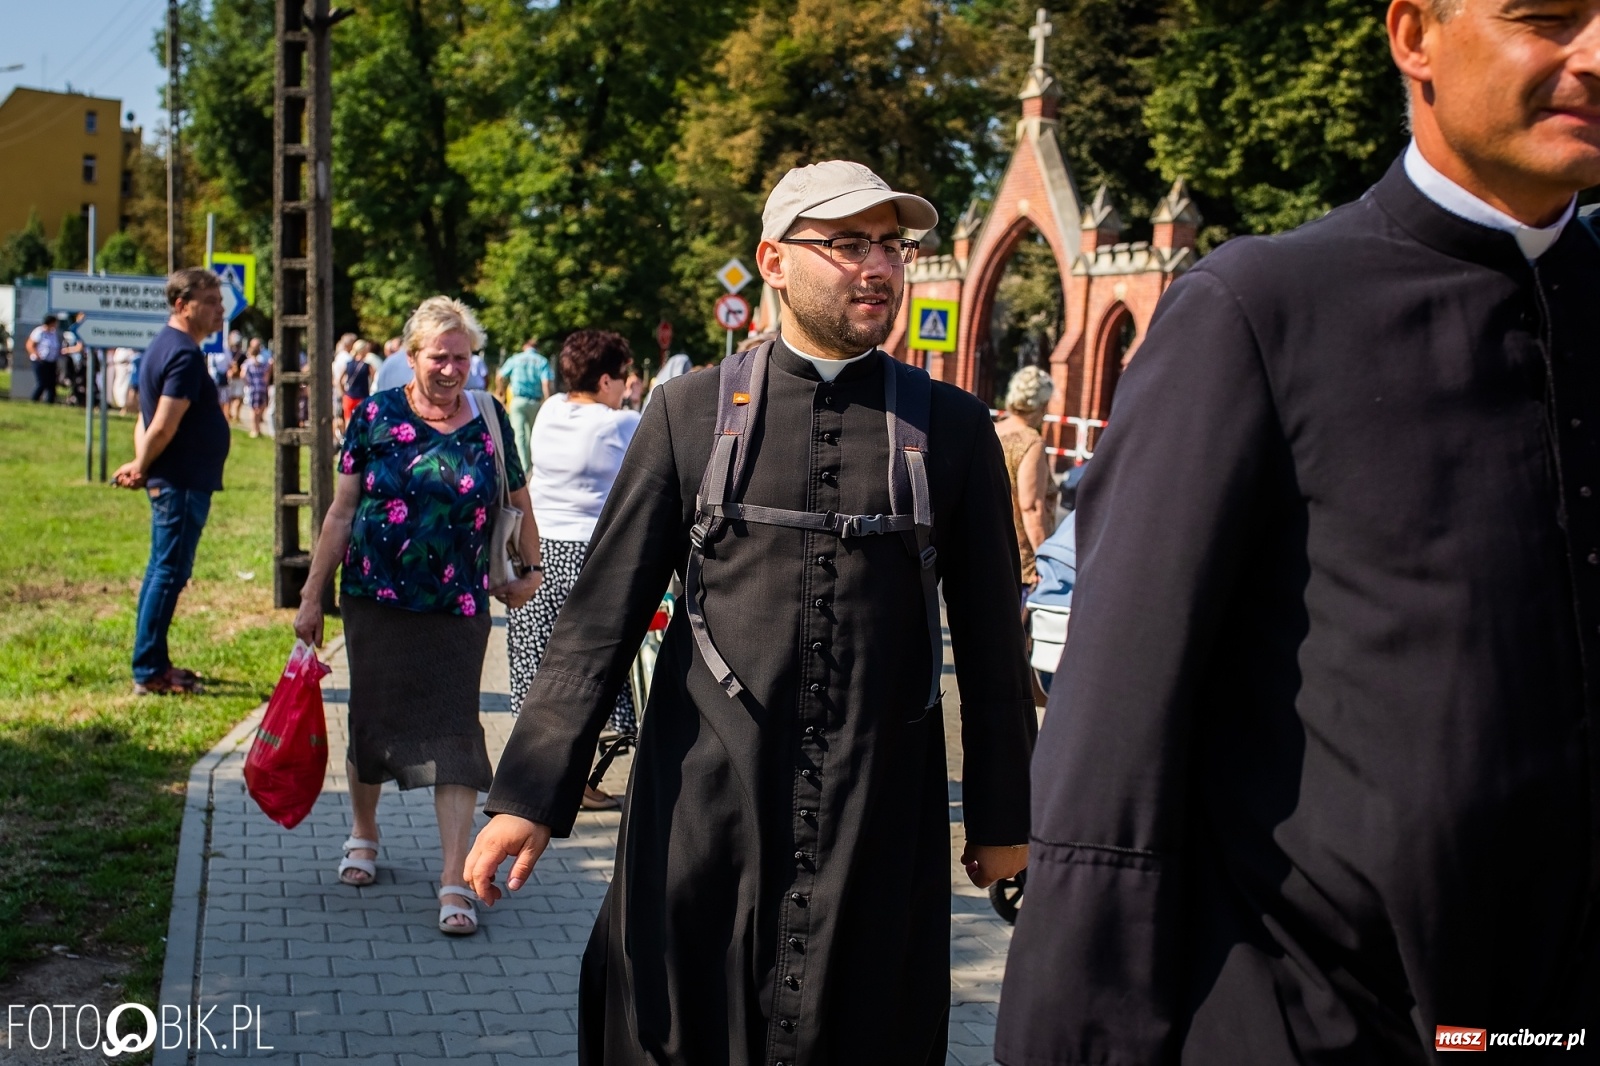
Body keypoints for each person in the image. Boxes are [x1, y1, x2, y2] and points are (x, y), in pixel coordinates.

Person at [995, 3, 1600, 1063]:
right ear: (1415, 36)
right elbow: (1115, 741)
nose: (1594, 58)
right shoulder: (1259, 309)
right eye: (1544, 17)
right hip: (1316, 1021)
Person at [466, 160, 1036, 1065]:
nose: (878, 266)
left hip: (876, 818)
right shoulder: (687, 413)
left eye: (892, 244)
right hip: (701, 810)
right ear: (773, 261)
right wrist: (530, 792)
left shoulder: (954, 430)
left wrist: (1005, 817)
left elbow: (995, 645)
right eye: (847, 243)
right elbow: (600, 617)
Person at [293, 296, 543, 937]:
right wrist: (312, 597)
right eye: (440, 357)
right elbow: (341, 512)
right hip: (376, 599)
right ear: (411, 357)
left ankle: (453, 878)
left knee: (457, 735)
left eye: (462, 358)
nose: (452, 369)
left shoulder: (488, 420)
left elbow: (518, 499)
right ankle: (363, 830)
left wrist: (532, 570)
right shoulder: (374, 416)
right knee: (372, 720)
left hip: (458, 605)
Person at [503, 330, 641, 812]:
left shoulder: (549, 411)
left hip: (538, 550)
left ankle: (531, 781)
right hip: (590, 557)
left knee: (539, 666)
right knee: (586, 672)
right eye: (623, 377)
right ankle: (572, 783)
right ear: (606, 379)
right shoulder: (620, 425)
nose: (627, 386)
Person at [110, 270, 230, 696]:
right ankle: (148, 670)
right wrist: (143, 465)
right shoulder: (181, 354)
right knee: (167, 573)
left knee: (163, 571)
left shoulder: (165, 346)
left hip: (177, 480)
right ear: (182, 304)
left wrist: (140, 460)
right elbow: (161, 424)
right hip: (179, 482)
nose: (221, 308)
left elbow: (146, 418)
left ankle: (153, 661)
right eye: (211, 300)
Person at [993, 365, 1058, 592]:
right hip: (1019, 559)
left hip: (985, 546)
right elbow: (1031, 508)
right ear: (1042, 405)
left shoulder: (992, 431)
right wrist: (1046, 560)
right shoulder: (1031, 443)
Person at [495, 337, 553, 469]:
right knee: (534, 434)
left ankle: (523, 466)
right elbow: (546, 383)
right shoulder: (542, 361)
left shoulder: (516, 359)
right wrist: (548, 401)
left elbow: (500, 376)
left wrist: (500, 391)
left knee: (519, 434)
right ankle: (533, 465)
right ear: (537, 348)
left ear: (524, 347)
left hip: (518, 400)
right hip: (535, 402)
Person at [26, 315, 62, 403]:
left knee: (51, 384)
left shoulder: (53, 333)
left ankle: (50, 402)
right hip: (40, 361)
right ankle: (34, 400)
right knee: (42, 383)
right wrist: (36, 354)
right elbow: (29, 345)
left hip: (51, 361)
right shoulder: (39, 331)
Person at [340, 339, 375, 424]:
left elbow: (340, 380)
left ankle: (348, 437)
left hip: (349, 396)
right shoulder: (367, 366)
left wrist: (343, 393)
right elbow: (374, 378)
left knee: (348, 422)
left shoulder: (348, 364)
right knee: (362, 422)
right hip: (362, 397)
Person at [243, 338, 272, 437]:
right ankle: (257, 429)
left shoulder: (248, 362)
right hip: (262, 386)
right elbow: (267, 371)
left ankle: (255, 429)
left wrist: (247, 383)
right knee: (260, 407)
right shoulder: (262, 360)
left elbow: (243, 375)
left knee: (254, 409)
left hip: (253, 387)